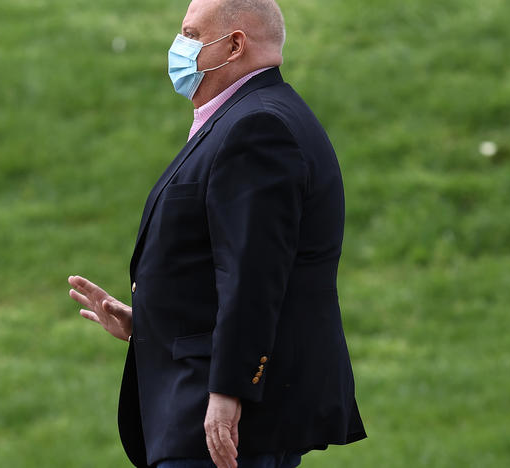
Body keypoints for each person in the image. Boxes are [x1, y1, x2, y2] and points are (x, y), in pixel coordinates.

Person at [68, 0, 366, 466]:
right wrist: (150, 322)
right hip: (203, 405)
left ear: (234, 45)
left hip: (220, 421)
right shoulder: (247, 119)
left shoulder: (258, 127)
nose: (179, 46)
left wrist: (228, 390)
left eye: (190, 34)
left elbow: (254, 274)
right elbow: (219, 263)